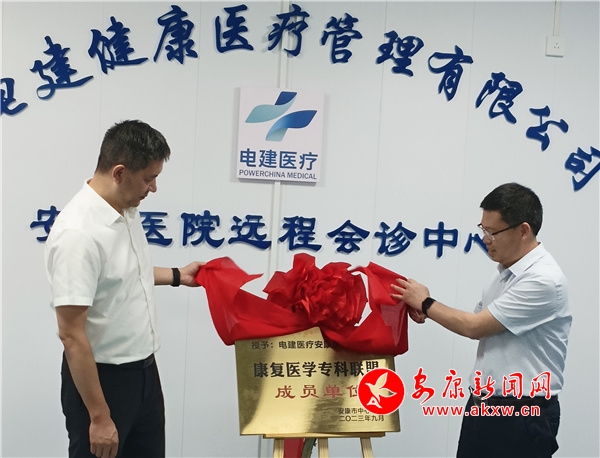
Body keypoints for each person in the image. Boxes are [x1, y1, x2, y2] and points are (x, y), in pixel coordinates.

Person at [45, 120, 203, 458]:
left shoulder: (125, 210)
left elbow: (126, 274)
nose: (153, 188)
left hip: (144, 375)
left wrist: (178, 275)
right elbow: (71, 335)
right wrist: (99, 417)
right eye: (148, 178)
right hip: (103, 383)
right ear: (119, 172)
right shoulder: (78, 234)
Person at [391, 182, 571, 458]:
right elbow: (479, 320)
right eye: (483, 229)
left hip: (522, 414)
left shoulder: (543, 279)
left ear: (523, 230)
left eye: (492, 232)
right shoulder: (504, 274)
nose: (485, 239)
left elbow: (474, 328)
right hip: (483, 406)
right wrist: (428, 310)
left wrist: (426, 303)